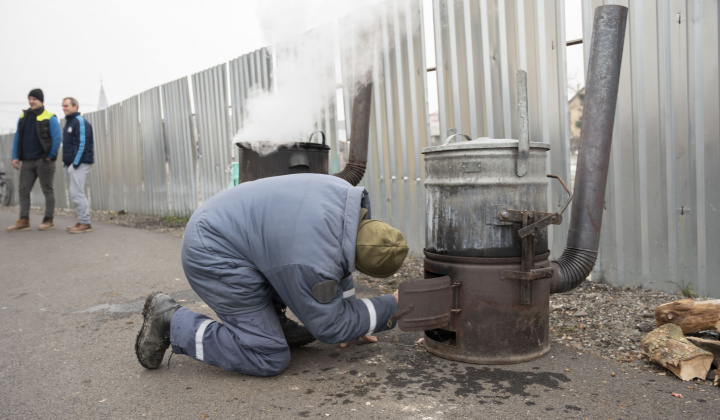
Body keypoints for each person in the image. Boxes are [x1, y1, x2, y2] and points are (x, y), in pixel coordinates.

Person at [135, 174, 409, 377]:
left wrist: (355, 317)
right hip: (211, 251)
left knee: (281, 263)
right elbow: (330, 328)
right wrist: (394, 306)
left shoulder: (345, 198)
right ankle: (172, 323)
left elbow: (340, 266)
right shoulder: (315, 264)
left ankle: (271, 322)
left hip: (225, 223)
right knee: (268, 355)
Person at [6, 89, 62, 232]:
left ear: (41, 100)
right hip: (27, 161)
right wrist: (15, 156)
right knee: (23, 190)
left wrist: (49, 155)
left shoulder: (50, 117)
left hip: (44, 161)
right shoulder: (23, 117)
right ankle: (24, 220)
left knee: (47, 190)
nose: (31, 101)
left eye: (34, 99)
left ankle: (48, 220)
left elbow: (57, 139)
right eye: (29, 98)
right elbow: (17, 137)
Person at [61, 97, 94, 233]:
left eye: (67, 105)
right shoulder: (69, 122)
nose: (64, 108)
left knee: (77, 193)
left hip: (79, 163)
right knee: (74, 193)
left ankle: (85, 223)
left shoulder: (80, 122)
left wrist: (75, 163)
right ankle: (81, 220)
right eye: (63, 106)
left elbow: (83, 144)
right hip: (71, 163)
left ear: (75, 107)